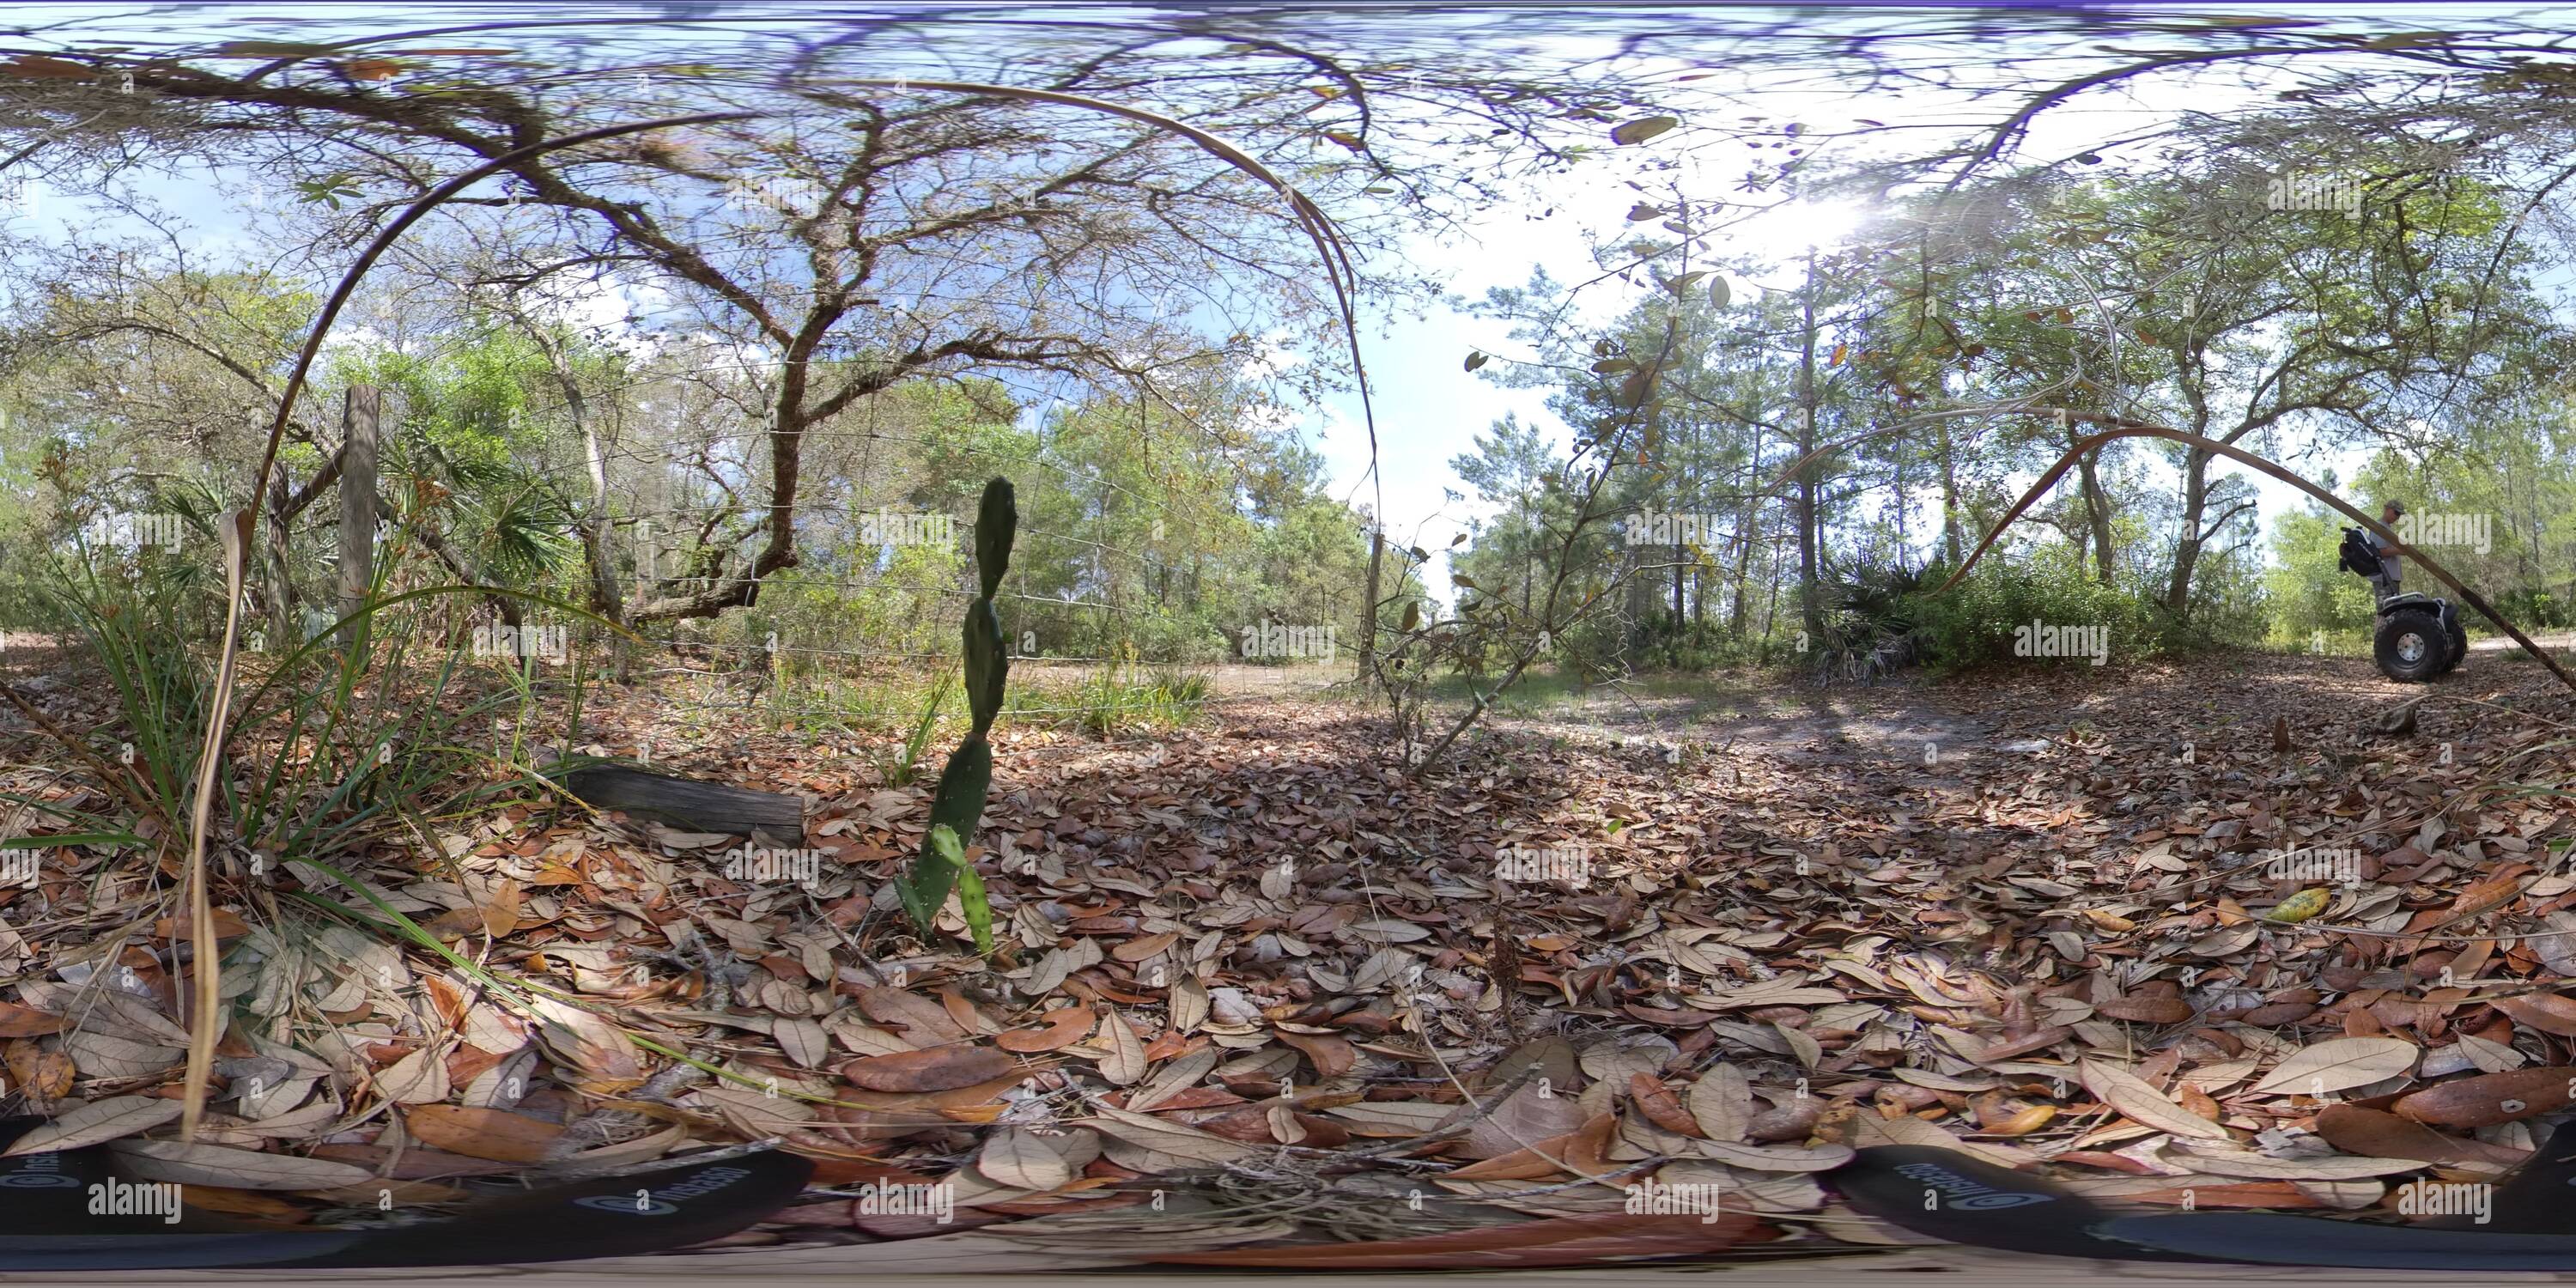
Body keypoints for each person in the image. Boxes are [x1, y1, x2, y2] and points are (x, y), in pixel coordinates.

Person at [2363, 500, 2408, 601]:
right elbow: (2379, 552)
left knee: (2393, 612)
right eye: (2396, 513)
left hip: (2390, 578)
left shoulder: (2387, 528)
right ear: (2387, 509)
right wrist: (2400, 550)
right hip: (2384, 579)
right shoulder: (2379, 527)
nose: (2398, 516)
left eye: (2400, 514)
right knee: (2386, 611)